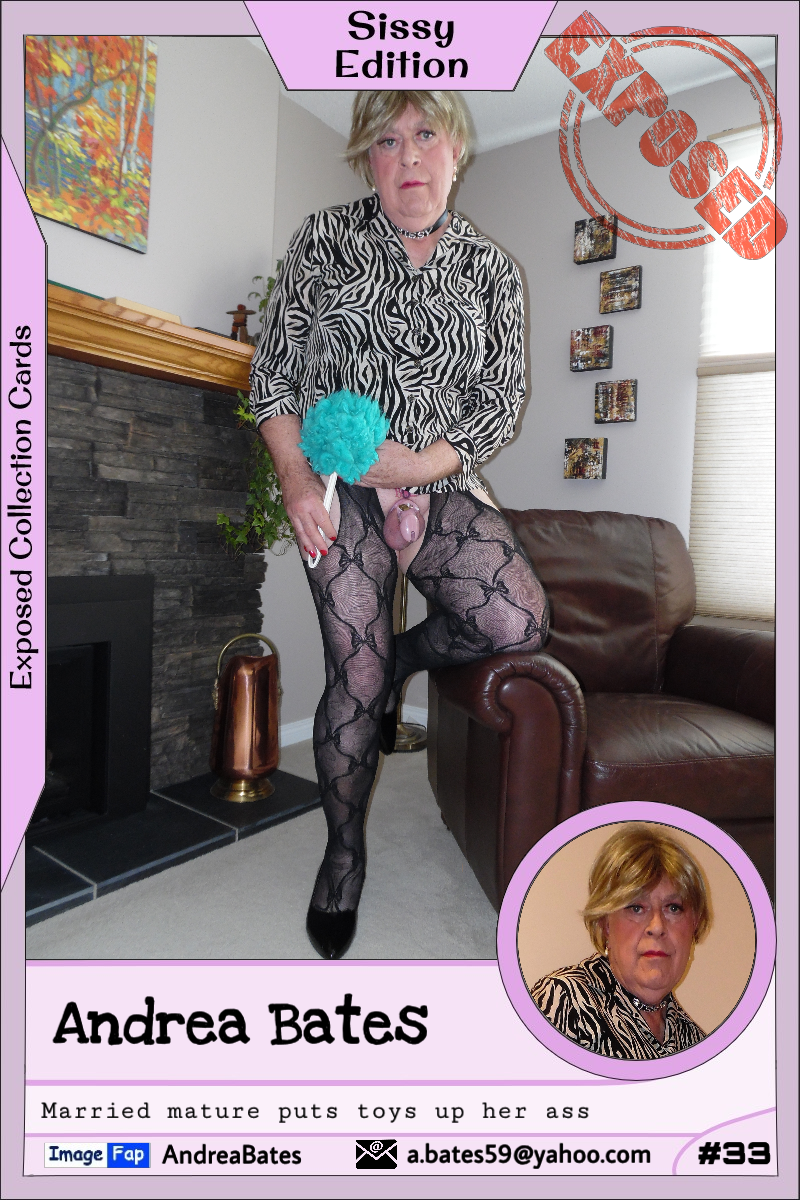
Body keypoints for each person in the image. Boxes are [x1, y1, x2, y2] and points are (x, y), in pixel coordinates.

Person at [249, 91, 549, 959]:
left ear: (456, 151)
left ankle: (405, 663)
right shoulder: (323, 239)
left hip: (437, 475)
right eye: (387, 140)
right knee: (356, 668)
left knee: (519, 620)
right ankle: (343, 857)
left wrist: (418, 470)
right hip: (337, 483)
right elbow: (274, 378)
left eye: (425, 134)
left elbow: (498, 401)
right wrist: (297, 484)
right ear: (368, 160)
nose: (408, 155)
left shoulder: (493, 271)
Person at [529, 825, 711, 1059]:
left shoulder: (695, 1041)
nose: (657, 927)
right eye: (636, 907)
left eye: (673, 908)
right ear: (605, 922)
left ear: (694, 923)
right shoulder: (565, 1002)